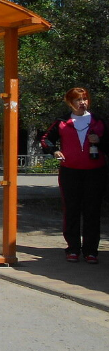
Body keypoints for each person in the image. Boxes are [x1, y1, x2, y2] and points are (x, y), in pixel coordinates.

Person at [41, 87, 106, 264]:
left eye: (85, 99)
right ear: (70, 102)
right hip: (70, 171)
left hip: (95, 171)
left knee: (92, 211)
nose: (82, 102)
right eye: (78, 100)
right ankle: (73, 249)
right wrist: (54, 151)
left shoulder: (99, 121)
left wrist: (99, 141)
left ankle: (91, 251)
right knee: (71, 210)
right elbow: (45, 139)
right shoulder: (62, 122)